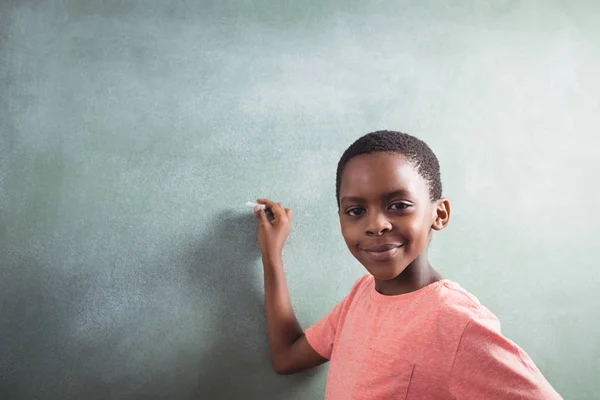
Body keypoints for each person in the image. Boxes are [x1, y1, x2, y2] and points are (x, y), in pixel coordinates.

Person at [253, 130, 562, 399]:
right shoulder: (361, 296)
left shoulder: (456, 323)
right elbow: (287, 356)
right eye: (356, 210)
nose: (376, 225)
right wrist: (272, 255)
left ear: (438, 214)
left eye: (398, 205)